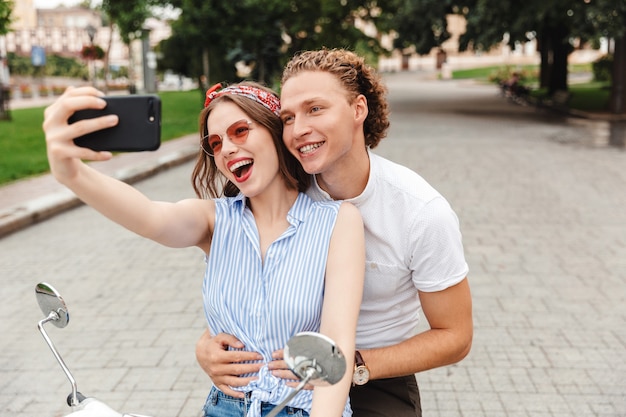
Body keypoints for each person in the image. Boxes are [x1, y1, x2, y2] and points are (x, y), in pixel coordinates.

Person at [42, 81, 365, 417]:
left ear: (273, 131)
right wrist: (71, 174)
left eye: (240, 131)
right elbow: (151, 217)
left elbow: (336, 344)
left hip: (303, 408)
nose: (226, 148)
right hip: (224, 408)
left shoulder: (338, 222)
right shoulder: (214, 221)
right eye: (216, 142)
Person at [195, 49, 473, 417]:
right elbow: (240, 281)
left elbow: (455, 336)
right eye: (288, 117)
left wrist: (352, 364)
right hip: (279, 376)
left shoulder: (421, 212)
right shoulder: (282, 186)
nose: (298, 129)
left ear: (359, 109)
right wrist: (205, 346)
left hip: (376, 376)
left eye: (315, 109)